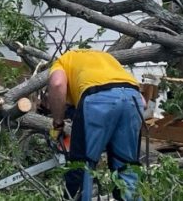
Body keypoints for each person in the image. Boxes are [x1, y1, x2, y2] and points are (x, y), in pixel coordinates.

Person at [47, 48, 145, 200]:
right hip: (133, 99)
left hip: (96, 99)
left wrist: (58, 123)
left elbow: (57, 84)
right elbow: (143, 103)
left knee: (81, 166)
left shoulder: (63, 60)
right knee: (127, 167)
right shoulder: (107, 58)